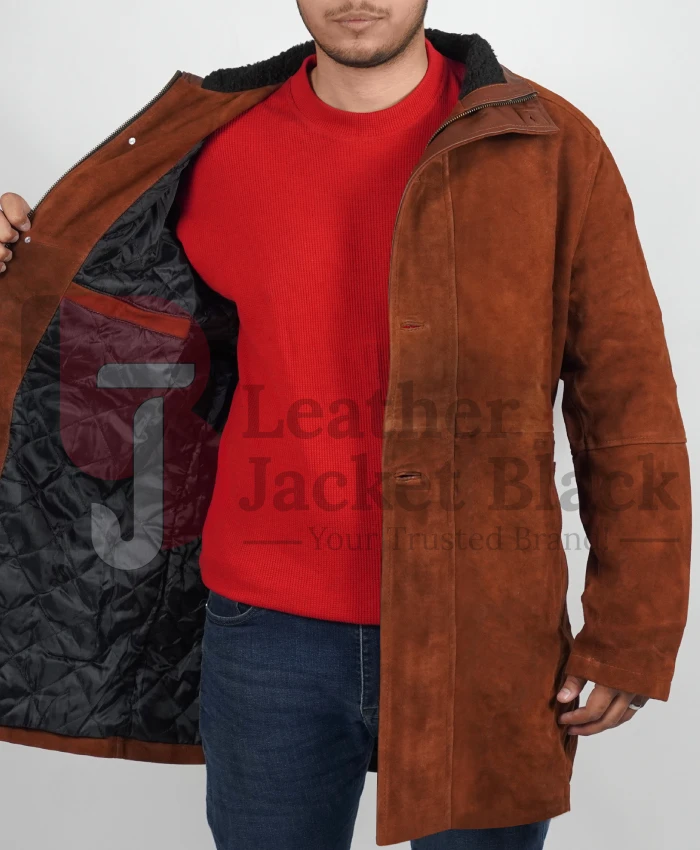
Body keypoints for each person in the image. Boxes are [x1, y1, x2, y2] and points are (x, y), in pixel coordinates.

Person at [0, 2, 691, 849]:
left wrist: (632, 631)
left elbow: (626, 399)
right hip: (266, 632)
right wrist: (22, 268)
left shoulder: (548, 145)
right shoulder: (211, 143)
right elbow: (107, 343)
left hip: (485, 629)